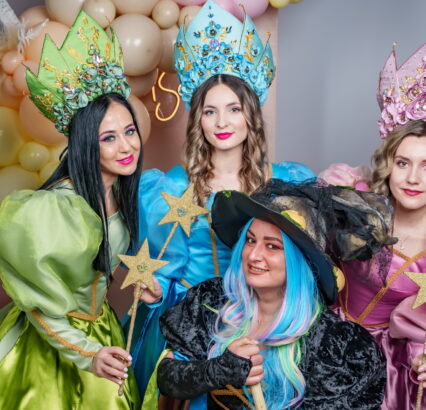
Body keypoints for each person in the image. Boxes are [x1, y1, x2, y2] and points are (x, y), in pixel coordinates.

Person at [0, 11, 141, 409]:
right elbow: (43, 307)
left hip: (102, 333)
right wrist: (87, 353)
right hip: (55, 342)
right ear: (86, 142)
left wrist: (141, 282)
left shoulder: (120, 194)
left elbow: (96, 267)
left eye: (129, 131)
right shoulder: (54, 209)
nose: (127, 147)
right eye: (109, 137)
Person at [129, 0, 315, 394]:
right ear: (197, 118)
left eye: (233, 109)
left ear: (251, 114)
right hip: (197, 323)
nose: (222, 122)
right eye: (210, 111)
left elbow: (303, 261)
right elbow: (163, 268)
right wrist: (155, 289)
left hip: (267, 324)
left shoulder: (286, 181)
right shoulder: (171, 188)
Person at [154, 179, 391, 409]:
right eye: (250, 240)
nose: (253, 255)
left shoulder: (333, 342)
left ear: (299, 261)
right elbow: (167, 380)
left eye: (272, 246)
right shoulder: (211, 302)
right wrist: (218, 370)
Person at [334, 44, 426, 409]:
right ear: (388, 164)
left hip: (388, 369)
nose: (413, 178)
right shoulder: (353, 204)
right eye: (403, 163)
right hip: (328, 344)